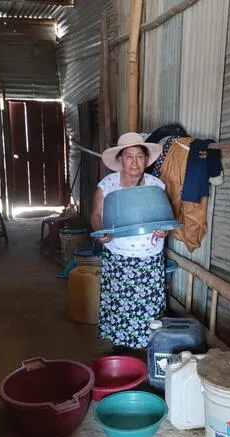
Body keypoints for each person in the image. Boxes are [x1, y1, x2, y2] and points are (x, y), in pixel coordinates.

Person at [91, 132, 169, 351]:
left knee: (148, 307)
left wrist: (164, 232)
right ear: (120, 160)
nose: (134, 162)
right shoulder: (107, 185)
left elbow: (165, 218)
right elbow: (96, 215)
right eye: (129, 156)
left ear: (146, 160)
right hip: (118, 258)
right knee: (118, 305)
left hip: (149, 259)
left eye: (139, 156)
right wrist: (100, 232)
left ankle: (147, 346)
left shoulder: (156, 185)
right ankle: (120, 348)